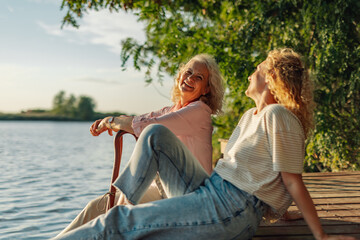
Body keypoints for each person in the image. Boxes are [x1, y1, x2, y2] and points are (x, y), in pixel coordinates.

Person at [54, 48, 355, 240]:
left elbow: (291, 180)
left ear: (271, 77)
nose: (252, 72)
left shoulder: (277, 114)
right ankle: (125, 201)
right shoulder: (252, 115)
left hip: (230, 209)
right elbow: (267, 176)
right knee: (153, 135)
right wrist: (280, 209)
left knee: (116, 221)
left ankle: (123, 210)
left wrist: (321, 236)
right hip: (215, 193)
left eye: (259, 68)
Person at [55, 54, 224, 237]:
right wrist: (112, 120)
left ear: (206, 89)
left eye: (198, 77)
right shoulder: (173, 110)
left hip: (190, 197)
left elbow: (147, 127)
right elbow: (138, 120)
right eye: (188, 72)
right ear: (180, 75)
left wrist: (110, 121)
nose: (190, 78)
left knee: (117, 210)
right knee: (97, 207)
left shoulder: (198, 111)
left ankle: (116, 223)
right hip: (165, 191)